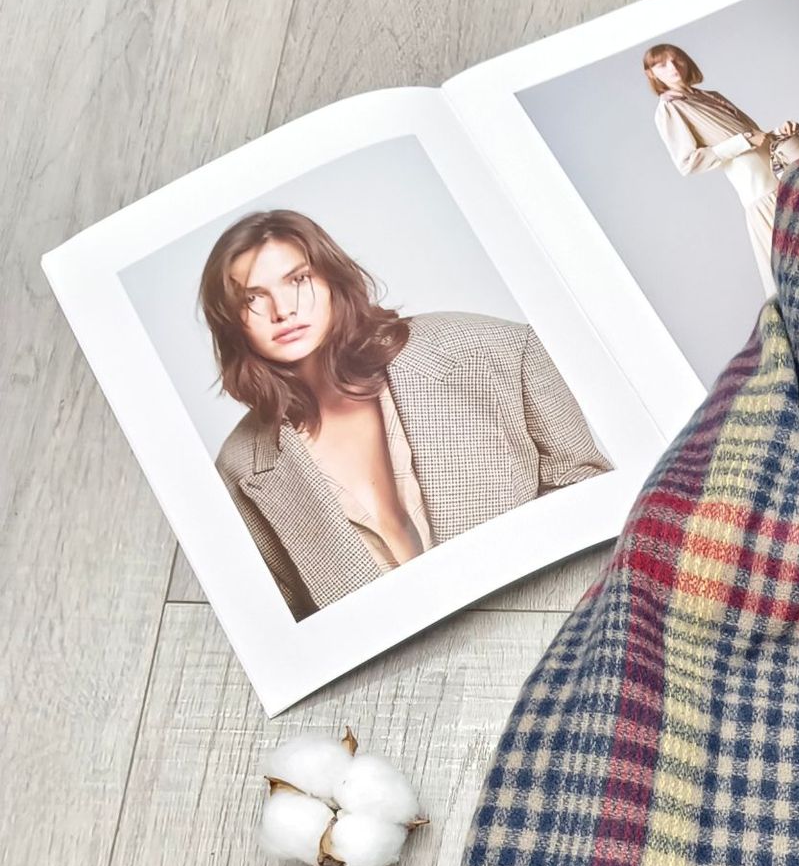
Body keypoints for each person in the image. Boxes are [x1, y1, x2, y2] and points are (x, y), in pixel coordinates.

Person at [201, 208, 611, 619]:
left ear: (331, 279)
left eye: (298, 280)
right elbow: (287, 624)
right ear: (230, 321)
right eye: (252, 298)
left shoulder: (499, 350)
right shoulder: (238, 469)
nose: (282, 310)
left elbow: (591, 498)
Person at [644, 42, 799, 299]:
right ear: (651, 73)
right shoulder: (669, 108)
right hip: (763, 194)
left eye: (676, 59)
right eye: (661, 65)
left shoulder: (710, 95)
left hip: (782, 179)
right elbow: (688, 162)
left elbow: (756, 137)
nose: (673, 67)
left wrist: (778, 132)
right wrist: (743, 141)